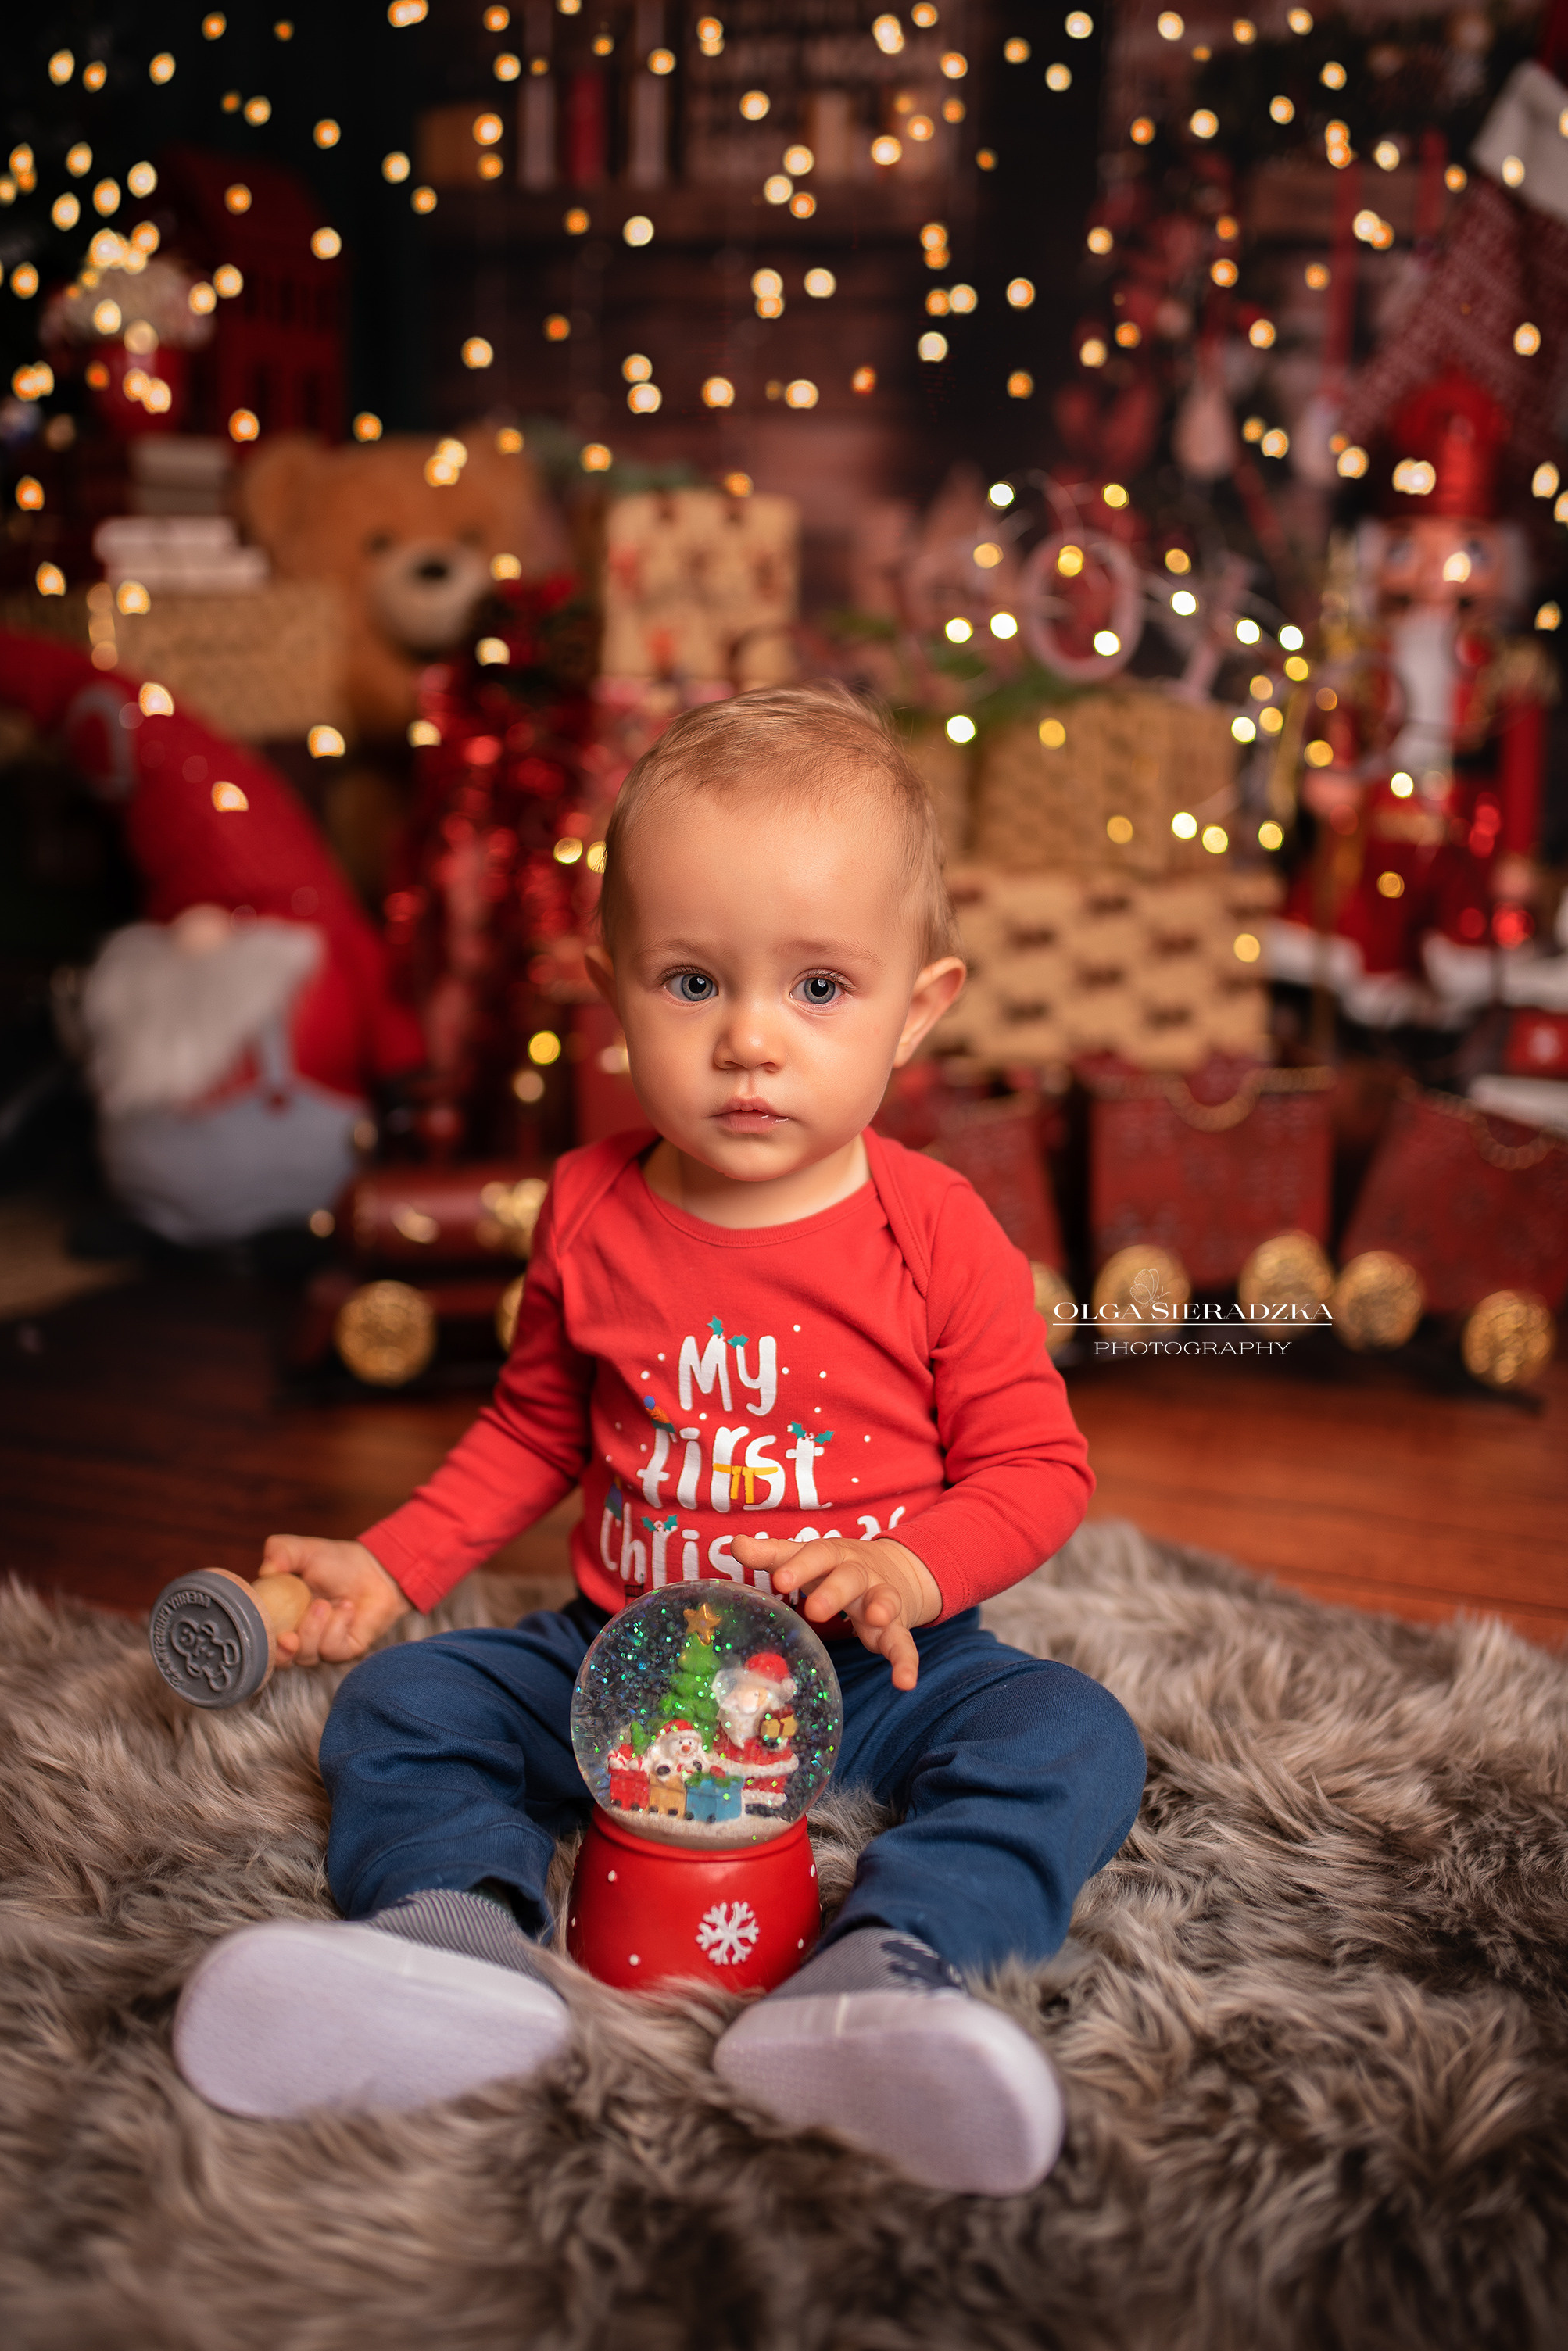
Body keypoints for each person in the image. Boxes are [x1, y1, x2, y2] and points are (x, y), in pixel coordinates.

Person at [174, 683, 1146, 2198]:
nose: (750, 1040)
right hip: (618, 1652)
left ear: (920, 1004)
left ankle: (890, 1969)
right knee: (402, 1704)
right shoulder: (590, 1207)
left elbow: (1036, 1467)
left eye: (819, 989)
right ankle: (450, 1943)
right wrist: (390, 1561)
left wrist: (905, 1561)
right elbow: (528, 1430)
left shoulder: (937, 1230)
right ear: (610, 990)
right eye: (692, 981)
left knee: (1071, 1738)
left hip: (873, 1666)